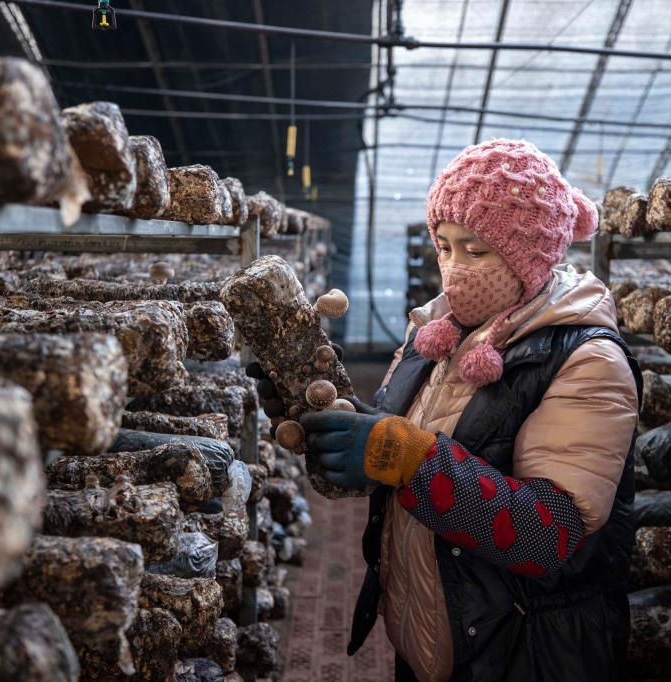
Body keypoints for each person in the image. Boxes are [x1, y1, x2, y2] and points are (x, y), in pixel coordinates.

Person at [255, 139, 642, 681]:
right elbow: (421, 438)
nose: (454, 267)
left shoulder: (586, 361)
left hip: (523, 649)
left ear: (529, 254)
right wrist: (339, 417)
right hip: (443, 633)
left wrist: (407, 458)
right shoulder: (439, 331)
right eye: (445, 245)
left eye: (477, 250)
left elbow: (548, 533)